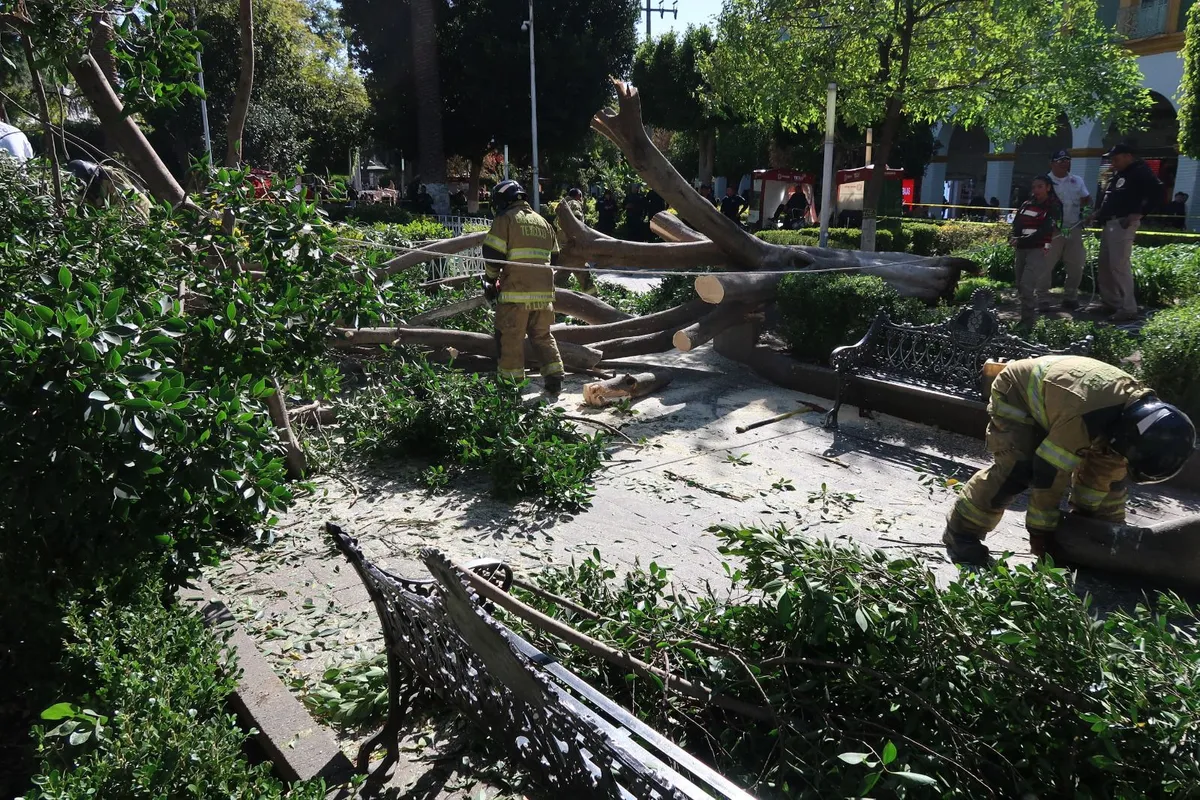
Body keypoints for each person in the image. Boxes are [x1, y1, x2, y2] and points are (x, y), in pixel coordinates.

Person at [942, 355, 1196, 565]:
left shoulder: (1137, 420)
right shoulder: (1087, 416)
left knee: (1108, 473)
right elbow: (1049, 472)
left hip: (1064, 400)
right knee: (1018, 470)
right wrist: (1041, 533)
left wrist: (1106, 536)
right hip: (1018, 392)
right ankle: (961, 533)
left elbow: (1105, 479)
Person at [481, 180, 564, 396]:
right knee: (543, 336)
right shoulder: (543, 222)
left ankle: (511, 386)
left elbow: (493, 255)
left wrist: (490, 280)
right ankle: (554, 377)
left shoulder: (505, 219)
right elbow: (555, 258)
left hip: (515, 295)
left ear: (503, 200)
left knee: (511, 338)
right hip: (544, 296)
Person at [1085, 143, 1161, 322]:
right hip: (1109, 223)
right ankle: (1111, 303)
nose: (1113, 162)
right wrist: (1097, 213)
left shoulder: (1140, 171)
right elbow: (1112, 199)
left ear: (1128, 156)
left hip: (1123, 224)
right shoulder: (1119, 174)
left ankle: (1128, 308)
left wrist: (1139, 213)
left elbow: (1157, 192)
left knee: (1119, 266)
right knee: (1105, 265)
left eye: (1116, 159)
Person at [1010, 175, 1062, 328]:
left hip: (1038, 249)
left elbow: (1045, 229)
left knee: (1027, 285)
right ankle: (1024, 320)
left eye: (1040, 186)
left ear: (1048, 188)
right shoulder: (1026, 204)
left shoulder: (1054, 206)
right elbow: (1017, 224)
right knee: (1020, 284)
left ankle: (1028, 323)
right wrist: (1013, 237)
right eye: (1034, 187)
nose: (1036, 190)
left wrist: (1021, 240)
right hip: (1021, 249)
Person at [1045, 150, 1091, 311]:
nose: (1065, 163)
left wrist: (1086, 214)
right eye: (1060, 160)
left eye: (1067, 160)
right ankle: (1042, 298)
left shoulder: (1077, 180)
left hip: (1073, 228)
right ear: (1052, 163)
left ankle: (1070, 298)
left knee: (1076, 264)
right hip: (1052, 230)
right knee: (1045, 265)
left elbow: (1087, 200)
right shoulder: (1045, 181)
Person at [553, 188, 596, 295]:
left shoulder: (563, 205)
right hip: (573, 246)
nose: (581, 199)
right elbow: (576, 222)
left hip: (563, 246)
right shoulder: (574, 203)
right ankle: (593, 299)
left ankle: (554, 297)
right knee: (583, 274)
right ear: (577, 196)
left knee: (564, 273)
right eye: (581, 196)